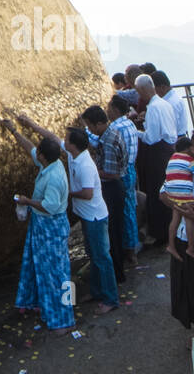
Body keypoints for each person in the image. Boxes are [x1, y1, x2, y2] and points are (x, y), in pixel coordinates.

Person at [18, 115, 118, 313]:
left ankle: (108, 299)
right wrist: (29, 124)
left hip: (94, 217)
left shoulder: (84, 166)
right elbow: (52, 138)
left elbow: (86, 194)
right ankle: (95, 292)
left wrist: (66, 194)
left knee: (99, 259)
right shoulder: (69, 157)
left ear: (73, 145)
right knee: (92, 257)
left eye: (67, 137)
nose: (63, 139)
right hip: (83, 216)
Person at [1, 119, 74, 336]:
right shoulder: (52, 163)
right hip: (43, 225)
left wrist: (27, 201)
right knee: (45, 270)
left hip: (51, 226)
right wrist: (14, 131)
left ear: (44, 156)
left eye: (39, 152)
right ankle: (50, 310)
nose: (36, 154)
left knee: (56, 273)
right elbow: (30, 149)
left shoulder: (53, 177)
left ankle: (64, 319)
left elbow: (50, 206)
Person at [82, 104, 128, 283]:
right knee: (114, 232)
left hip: (112, 188)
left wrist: (92, 170)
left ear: (99, 123)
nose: (89, 129)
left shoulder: (109, 141)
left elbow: (112, 173)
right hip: (113, 187)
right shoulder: (108, 133)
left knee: (112, 234)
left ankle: (116, 274)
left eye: (90, 126)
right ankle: (117, 272)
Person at [132, 73, 177, 246]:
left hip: (157, 153)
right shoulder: (164, 103)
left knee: (157, 192)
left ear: (143, 89)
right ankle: (167, 229)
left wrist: (135, 131)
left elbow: (151, 138)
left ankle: (160, 233)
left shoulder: (153, 108)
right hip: (168, 150)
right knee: (167, 189)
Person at [108, 93, 141, 266]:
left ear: (114, 109)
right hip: (131, 169)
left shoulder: (115, 128)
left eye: (108, 107)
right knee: (130, 208)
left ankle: (129, 250)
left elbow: (100, 142)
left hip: (122, 172)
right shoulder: (129, 124)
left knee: (125, 210)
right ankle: (132, 246)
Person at [160, 182, 194, 331]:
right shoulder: (183, 168)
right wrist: (181, 206)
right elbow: (163, 194)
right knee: (187, 288)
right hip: (184, 240)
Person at [161, 136, 194, 263]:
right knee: (188, 218)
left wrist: (177, 206)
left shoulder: (173, 158)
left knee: (177, 219)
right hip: (184, 198)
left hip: (174, 195)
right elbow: (161, 195)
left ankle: (171, 245)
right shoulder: (190, 162)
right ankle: (191, 247)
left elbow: (163, 194)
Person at [153, 71, 190, 140]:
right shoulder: (172, 98)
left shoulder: (171, 103)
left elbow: (171, 129)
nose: (154, 93)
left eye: (154, 90)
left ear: (162, 87)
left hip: (176, 141)